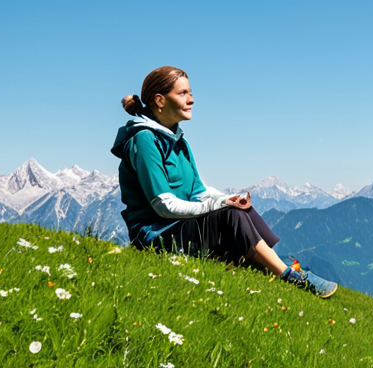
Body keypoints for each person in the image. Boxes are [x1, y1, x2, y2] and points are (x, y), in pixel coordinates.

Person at [111, 66, 337, 298]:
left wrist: (227, 199)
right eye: (183, 93)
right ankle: (289, 277)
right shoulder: (145, 140)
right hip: (155, 236)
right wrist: (219, 206)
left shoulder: (178, 141)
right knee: (230, 214)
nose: (192, 99)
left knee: (241, 208)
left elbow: (198, 190)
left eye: (190, 92)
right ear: (160, 100)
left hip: (177, 228)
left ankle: (275, 268)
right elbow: (163, 205)